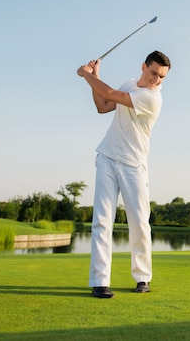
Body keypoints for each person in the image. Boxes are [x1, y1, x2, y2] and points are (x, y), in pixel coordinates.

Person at [77, 50, 171, 299]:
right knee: (102, 221)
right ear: (143, 66)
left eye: (161, 77)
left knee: (139, 223)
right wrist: (95, 75)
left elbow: (107, 93)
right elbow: (103, 105)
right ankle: (99, 281)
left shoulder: (152, 99)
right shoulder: (129, 85)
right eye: (153, 73)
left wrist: (86, 75)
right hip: (107, 157)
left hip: (133, 164)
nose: (156, 80)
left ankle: (142, 277)